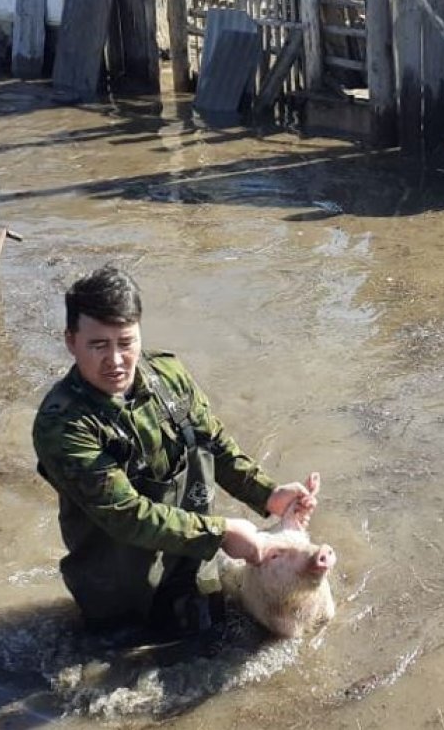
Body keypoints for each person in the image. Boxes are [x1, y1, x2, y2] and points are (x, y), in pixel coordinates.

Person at [32, 265, 317, 639]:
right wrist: (221, 533)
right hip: (122, 594)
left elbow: (215, 444)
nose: (116, 360)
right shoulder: (63, 425)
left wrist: (267, 495)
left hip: (192, 565)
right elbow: (126, 515)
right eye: (98, 345)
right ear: (71, 341)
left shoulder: (168, 375)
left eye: (126, 342)